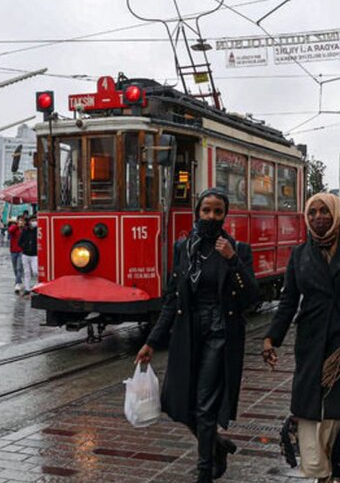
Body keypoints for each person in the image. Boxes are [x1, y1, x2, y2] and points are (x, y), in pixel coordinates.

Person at [137, 189, 258, 483]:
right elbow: (172, 299)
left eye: (218, 212)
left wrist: (232, 261)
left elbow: (252, 297)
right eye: (206, 211)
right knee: (174, 402)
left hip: (220, 334)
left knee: (205, 406)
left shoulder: (236, 249)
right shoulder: (184, 247)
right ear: (197, 212)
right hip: (188, 332)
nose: (211, 217)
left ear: (224, 215)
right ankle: (217, 445)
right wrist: (151, 341)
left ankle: (204, 472)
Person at [262, 193, 340, 482]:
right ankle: (322, 470)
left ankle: (336, 469)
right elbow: (289, 301)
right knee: (309, 411)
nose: (318, 217)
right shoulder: (299, 254)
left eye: (324, 211)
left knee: (339, 413)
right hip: (311, 342)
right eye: (313, 212)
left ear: (336, 214)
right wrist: (271, 338)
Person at [19, 216, 38, 297]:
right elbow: (20, 242)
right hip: (26, 254)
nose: (34, 222)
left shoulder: (37, 231)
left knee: (35, 271)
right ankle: (27, 289)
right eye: (32, 220)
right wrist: (24, 246)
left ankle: (37, 287)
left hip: (34, 255)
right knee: (27, 272)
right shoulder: (25, 231)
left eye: (35, 220)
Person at [7, 219, 24, 293]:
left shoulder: (24, 229)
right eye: (20, 221)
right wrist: (17, 225)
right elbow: (10, 231)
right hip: (13, 250)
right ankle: (19, 280)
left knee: (19, 268)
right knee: (15, 268)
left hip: (21, 251)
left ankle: (18, 283)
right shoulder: (14, 227)